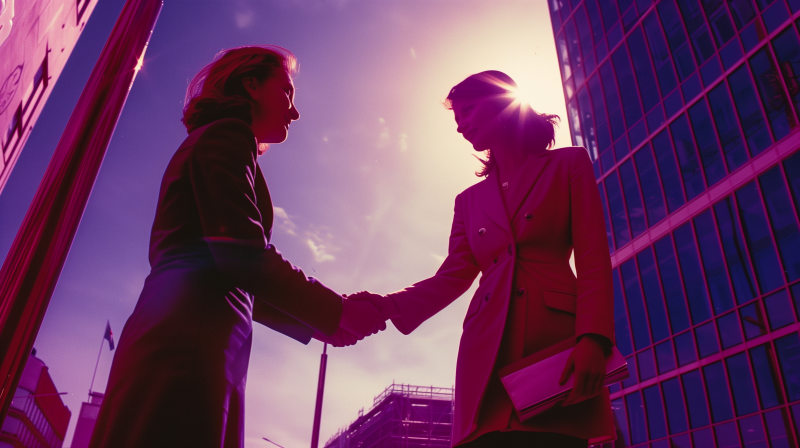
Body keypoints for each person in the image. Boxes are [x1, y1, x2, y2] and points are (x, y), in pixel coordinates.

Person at [88, 46, 383, 448]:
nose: (294, 112)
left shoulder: (218, 140)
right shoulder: (229, 135)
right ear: (251, 85)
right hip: (192, 342)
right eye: (288, 93)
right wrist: (338, 311)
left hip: (192, 335)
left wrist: (318, 325)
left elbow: (224, 266)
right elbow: (241, 254)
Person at [357, 71, 616, 447]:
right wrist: (385, 306)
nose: (461, 125)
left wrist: (593, 337)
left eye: (468, 111)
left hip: (553, 343)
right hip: (484, 349)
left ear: (502, 104)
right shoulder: (468, 201)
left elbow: (593, 255)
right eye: (456, 118)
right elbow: (452, 276)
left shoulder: (569, 165)